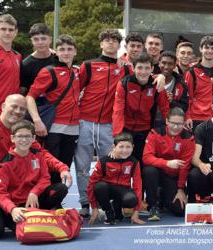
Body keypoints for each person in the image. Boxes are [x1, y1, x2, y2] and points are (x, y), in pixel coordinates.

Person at [74, 29, 131, 217]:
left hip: (108, 125)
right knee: (82, 166)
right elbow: (75, 92)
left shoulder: (125, 67)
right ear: (101, 44)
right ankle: (84, 202)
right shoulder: (88, 65)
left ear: (119, 44)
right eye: (107, 40)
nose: (110, 43)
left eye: (114, 40)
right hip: (85, 122)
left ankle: (110, 203)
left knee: (110, 166)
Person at [0, 121, 68, 236]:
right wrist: (12, 209)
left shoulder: (38, 155)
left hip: (34, 200)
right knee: (25, 229)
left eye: (27, 136)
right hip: (17, 205)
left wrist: (34, 192)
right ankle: (24, 215)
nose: (24, 140)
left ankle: (44, 210)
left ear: (33, 138)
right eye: (20, 136)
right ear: (12, 138)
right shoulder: (5, 163)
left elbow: (45, 178)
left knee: (61, 188)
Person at [26, 35, 82, 181]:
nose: (66, 53)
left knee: (65, 169)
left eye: (69, 49)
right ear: (56, 52)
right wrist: (37, 121)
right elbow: (30, 97)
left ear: (75, 52)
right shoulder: (48, 71)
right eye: (62, 49)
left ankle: (58, 201)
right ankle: (47, 202)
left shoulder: (77, 72)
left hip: (73, 128)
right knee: (50, 170)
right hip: (53, 128)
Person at [112, 52, 170, 163]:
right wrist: (117, 137)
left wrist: (170, 129)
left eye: (147, 68)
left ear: (152, 68)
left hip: (145, 130)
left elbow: (165, 108)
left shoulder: (156, 84)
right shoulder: (124, 83)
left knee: (142, 163)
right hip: (126, 129)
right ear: (133, 68)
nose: (143, 72)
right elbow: (117, 111)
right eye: (139, 67)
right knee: (123, 163)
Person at [142, 108, 195, 221]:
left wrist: (180, 189)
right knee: (149, 170)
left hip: (173, 177)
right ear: (167, 121)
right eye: (173, 123)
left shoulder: (188, 138)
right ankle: (153, 205)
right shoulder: (155, 133)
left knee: (180, 210)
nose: (176, 127)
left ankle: (163, 196)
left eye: (179, 124)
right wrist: (167, 163)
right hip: (157, 173)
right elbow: (146, 158)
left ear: (184, 123)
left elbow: (185, 166)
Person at [87, 132, 146, 225]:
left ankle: (116, 207)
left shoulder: (134, 162)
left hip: (123, 189)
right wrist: (94, 207)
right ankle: (108, 211)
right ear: (114, 147)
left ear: (133, 147)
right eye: (121, 147)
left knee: (131, 199)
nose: (125, 150)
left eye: (128, 147)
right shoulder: (104, 161)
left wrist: (136, 213)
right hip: (106, 190)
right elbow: (91, 184)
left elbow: (138, 186)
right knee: (99, 186)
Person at [184, 36, 213, 130]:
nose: (210, 51)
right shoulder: (192, 72)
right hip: (196, 119)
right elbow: (187, 98)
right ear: (200, 49)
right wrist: (188, 116)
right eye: (206, 48)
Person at [152, 51, 189, 129]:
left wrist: (172, 101)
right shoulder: (151, 80)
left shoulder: (181, 84)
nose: (166, 66)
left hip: (171, 125)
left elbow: (184, 107)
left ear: (175, 65)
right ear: (159, 63)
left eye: (170, 64)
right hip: (150, 123)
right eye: (164, 63)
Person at [20, 23, 55, 95]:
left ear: (50, 40)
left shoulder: (58, 59)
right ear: (31, 41)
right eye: (36, 39)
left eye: (43, 38)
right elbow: (23, 91)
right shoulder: (25, 64)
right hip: (36, 104)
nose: (40, 42)